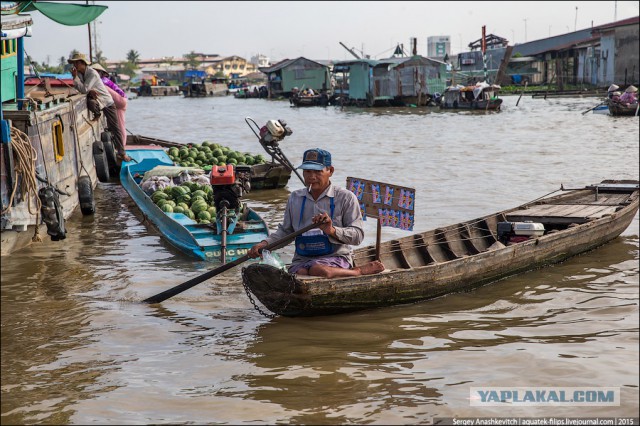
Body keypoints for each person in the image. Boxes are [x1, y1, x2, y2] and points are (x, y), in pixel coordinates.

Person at [248, 148, 385, 278]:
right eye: (307, 171)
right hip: (302, 259)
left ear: (330, 171)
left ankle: (357, 272)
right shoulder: (295, 198)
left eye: (317, 172)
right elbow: (286, 232)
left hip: (335, 258)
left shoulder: (346, 197)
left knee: (317, 269)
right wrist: (265, 244)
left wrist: (331, 230)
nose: (311, 177)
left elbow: (358, 236)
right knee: (301, 271)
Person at [68, 53, 130, 162]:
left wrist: (76, 79)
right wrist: (78, 79)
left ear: (82, 63)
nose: (75, 65)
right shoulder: (81, 74)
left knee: (115, 128)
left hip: (107, 102)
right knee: (91, 103)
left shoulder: (92, 73)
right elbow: (83, 89)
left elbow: (83, 89)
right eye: (74, 63)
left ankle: (122, 153)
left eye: (76, 63)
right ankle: (97, 114)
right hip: (98, 101)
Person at [92, 64, 128, 149]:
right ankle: (121, 145)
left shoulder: (102, 81)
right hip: (122, 100)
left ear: (101, 73)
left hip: (120, 100)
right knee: (119, 124)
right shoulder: (103, 80)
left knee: (119, 126)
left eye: (96, 72)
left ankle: (122, 146)